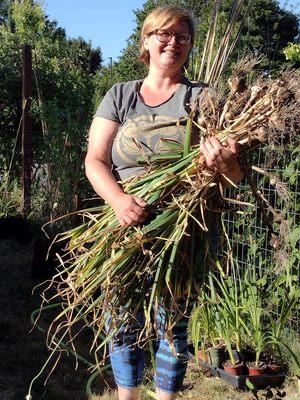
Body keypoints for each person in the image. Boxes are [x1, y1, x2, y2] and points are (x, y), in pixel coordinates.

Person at [85, 6, 242, 400]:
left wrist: (225, 165)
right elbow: (95, 160)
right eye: (164, 34)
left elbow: (235, 176)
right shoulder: (119, 95)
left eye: (183, 37)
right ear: (147, 41)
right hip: (125, 231)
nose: (173, 43)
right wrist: (119, 200)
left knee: (172, 326)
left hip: (182, 235)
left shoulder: (203, 98)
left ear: (190, 45)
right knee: (121, 322)